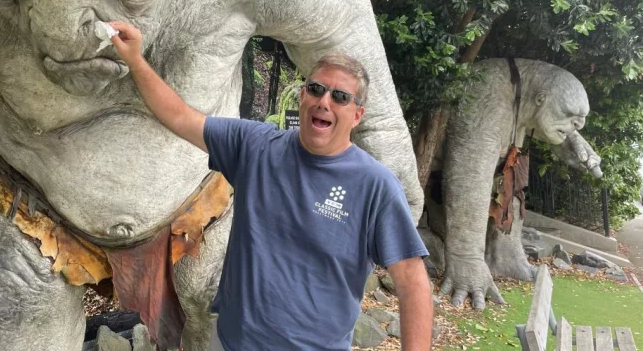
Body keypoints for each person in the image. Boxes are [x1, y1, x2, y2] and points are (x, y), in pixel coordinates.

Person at [108, 21, 433, 351]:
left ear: (357, 115)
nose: (324, 102)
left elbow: (412, 283)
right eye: (317, 89)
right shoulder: (256, 146)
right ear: (303, 94)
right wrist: (135, 60)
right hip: (233, 343)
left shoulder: (375, 186)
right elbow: (179, 116)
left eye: (340, 97)